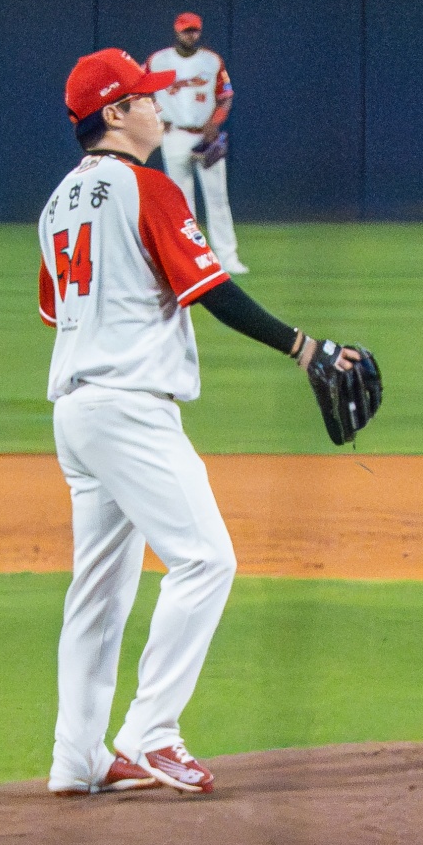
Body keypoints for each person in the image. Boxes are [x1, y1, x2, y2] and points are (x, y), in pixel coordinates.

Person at [39, 49, 366, 796]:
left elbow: (58, 309)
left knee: (98, 592)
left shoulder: (57, 203)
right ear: (115, 114)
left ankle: (76, 756)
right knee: (207, 561)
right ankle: (151, 733)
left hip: (77, 412)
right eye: (145, 97)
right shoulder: (147, 187)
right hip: (130, 409)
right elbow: (211, 289)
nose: (160, 107)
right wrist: (304, 348)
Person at [145, 12, 246, 276]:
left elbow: (225, 96)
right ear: (176, 31)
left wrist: (215, 122)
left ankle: (227, 258)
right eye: (186, 30)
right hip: (174, 134)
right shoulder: (158, 60)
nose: (190, 35)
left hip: (205, 137)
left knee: (218, 199)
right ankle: (191, 258)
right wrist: (157, 117)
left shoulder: (211, 61)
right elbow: (140, 92)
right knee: (181, 203)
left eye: (194, 30)